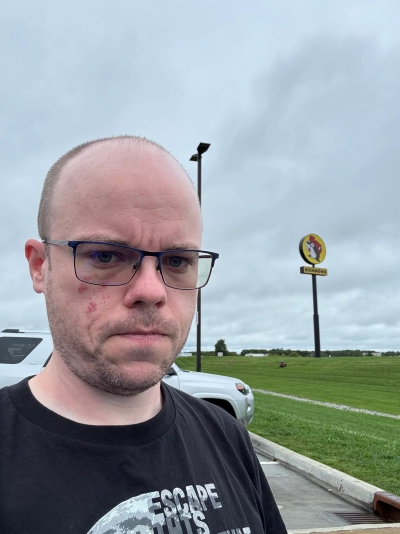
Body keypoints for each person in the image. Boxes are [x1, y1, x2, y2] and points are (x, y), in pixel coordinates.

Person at [0, 136, 287, 534]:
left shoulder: (228, 439)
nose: (152, 291)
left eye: (177, 261)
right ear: (40, 266)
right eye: (105, 255)